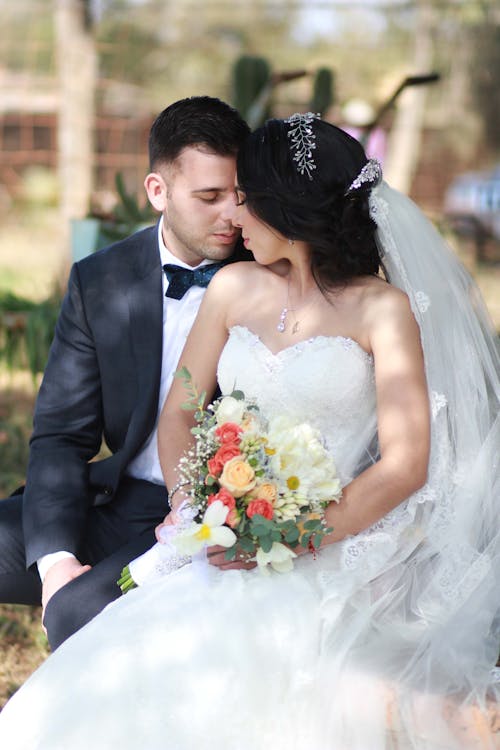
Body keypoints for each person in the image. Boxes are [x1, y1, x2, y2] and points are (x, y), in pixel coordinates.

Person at [0, 115, 498, 749]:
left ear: (282, 207)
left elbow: (405, 463)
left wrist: (293, 536)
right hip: (219, 522)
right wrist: (197, 503)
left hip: (330, 536)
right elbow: (181, 409)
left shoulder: (382, 309)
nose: (235, 214)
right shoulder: (235, 287)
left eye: (245, 195)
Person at [0, 95, 250, 650]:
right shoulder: (100, 279)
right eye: (209, 197)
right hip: (119, 496)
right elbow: (62, 433)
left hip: (217, 510)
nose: (231, 214)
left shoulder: (271, 276)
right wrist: (57, 562)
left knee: (81, 616)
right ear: (157, 192)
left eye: (240, 194)